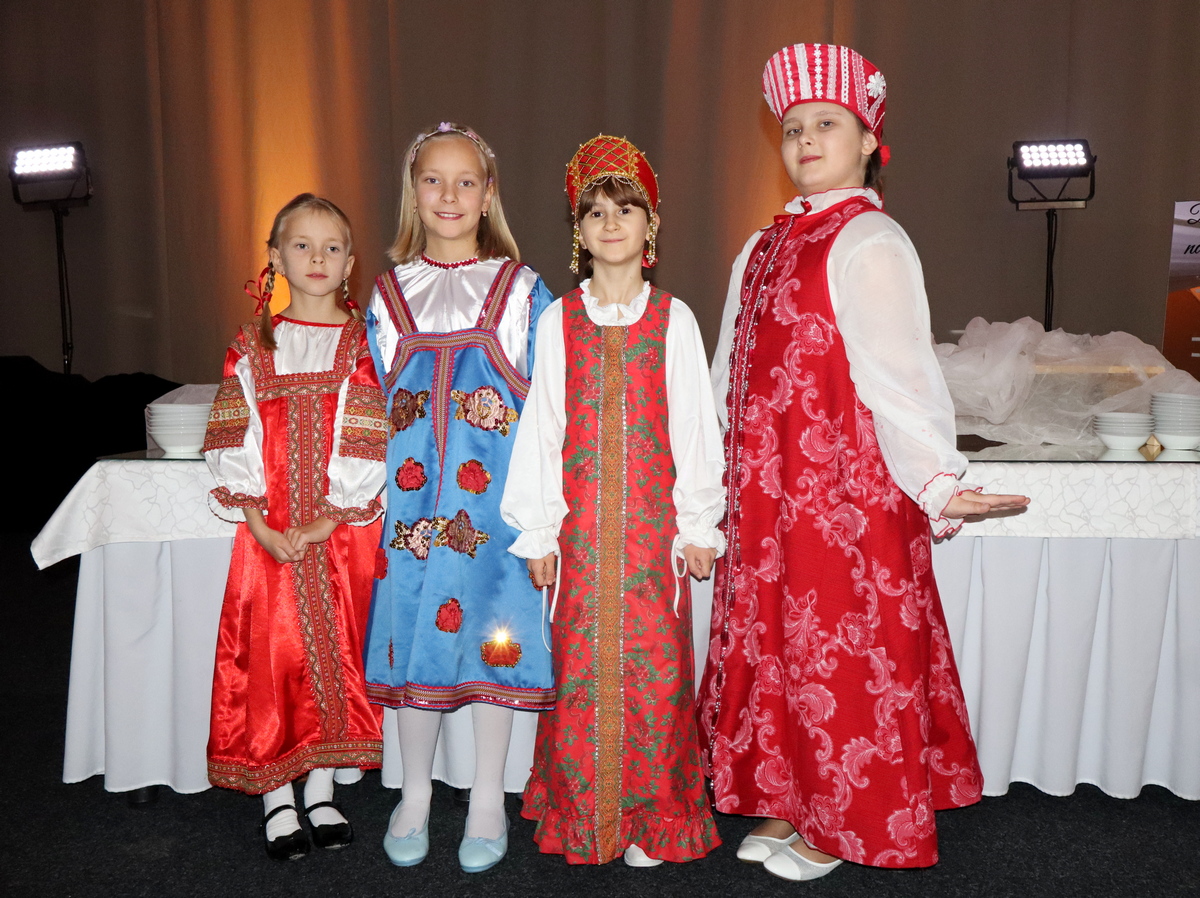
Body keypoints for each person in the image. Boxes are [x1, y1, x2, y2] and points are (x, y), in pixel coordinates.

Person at [697, 44, 1030, 882]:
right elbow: (726, 372)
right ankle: (786, 795)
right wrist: (708, 475)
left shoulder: (870, 239)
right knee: (776, 643)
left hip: (841, 494)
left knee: (839, 653)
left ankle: (844, 819)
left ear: (868, 140)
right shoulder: (761, 244)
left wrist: (938, 480)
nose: (806, 139)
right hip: (767, 493)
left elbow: (900, 375)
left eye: (827, 124)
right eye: (793, 128)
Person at [500, 135, 725, 867]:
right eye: (595, 211)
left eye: (625, 209)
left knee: (657, 678)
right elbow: (542, 429)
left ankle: (652, 819)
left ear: (650, 224)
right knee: (580, 672)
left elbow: (694, 427)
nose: (611, 222)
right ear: (579, 231)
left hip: (653, 543)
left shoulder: (675, 319)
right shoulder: (558, 322)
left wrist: (699, 522)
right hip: (582, 541)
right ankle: (585, 814)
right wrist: (538, 531)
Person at [362, 122, 555, 874]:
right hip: (410, 521)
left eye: (465, 181)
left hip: (492, 523)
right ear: (413, 193)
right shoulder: (388, 295)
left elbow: (551, 409)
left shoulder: (521, 291)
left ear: (488, 194)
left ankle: (485, 799)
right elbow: (366, 404)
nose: (449, 194)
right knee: (415, 644)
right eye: (433, 180)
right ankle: (413, 793)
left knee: (493, 648)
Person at [202, 193, 388, 861]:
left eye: (331, 248)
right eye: (302, 245)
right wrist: (258, 521)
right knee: (274, 658)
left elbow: (366, 435)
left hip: (339, 537)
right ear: (276, 258)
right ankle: (276, 795)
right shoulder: (253, 346)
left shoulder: (363, 344)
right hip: (270, 538)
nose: (317, 258)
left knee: (338, 655)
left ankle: (321, 789)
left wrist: (327, 520)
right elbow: (234, 435)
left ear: (350, 264)